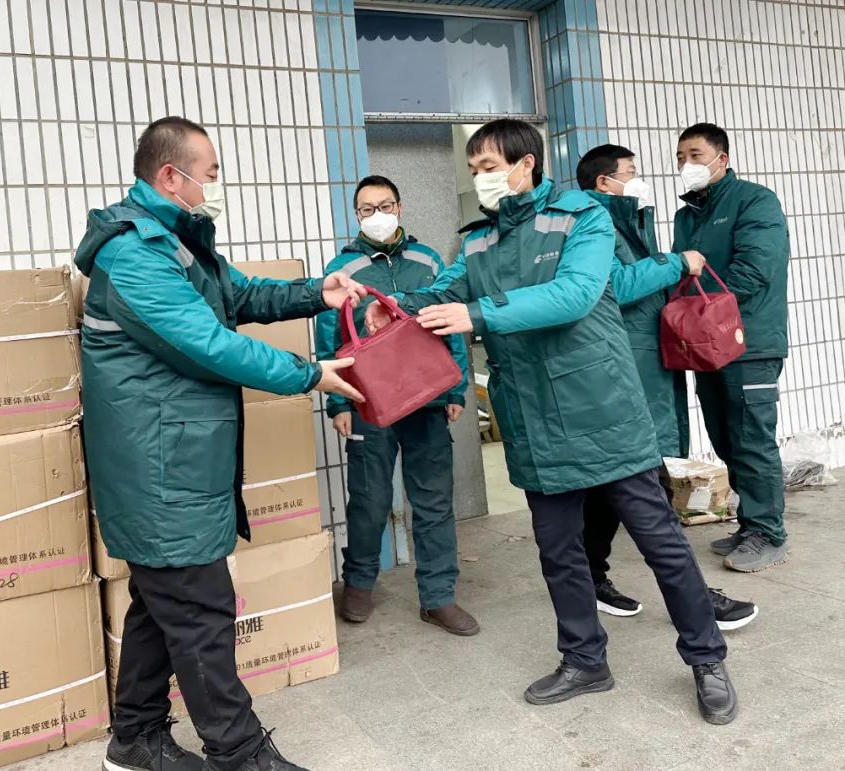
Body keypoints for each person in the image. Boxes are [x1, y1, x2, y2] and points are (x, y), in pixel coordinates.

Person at [365, 119, 737, 725]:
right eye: (474, 169)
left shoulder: (581, 217)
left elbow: (577, 294)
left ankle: (706, 657)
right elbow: (444, 289)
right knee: (560, 553)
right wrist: (396, 308)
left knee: (661, 544)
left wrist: (478, 313)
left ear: (526, 163)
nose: (481, 179)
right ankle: (585, 660)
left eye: (490, 167)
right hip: (533, 418)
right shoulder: (479, 240)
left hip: (601, 409)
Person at [75, 116, 367, 771]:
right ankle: (239, 753)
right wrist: (308, 374)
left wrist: (316, 294)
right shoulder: (134, 254)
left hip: (176, 459)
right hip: (159, 468)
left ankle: (135, 740)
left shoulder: (175, 241)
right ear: (170, 175)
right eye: (208, 174)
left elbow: (241, 294)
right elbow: (209, 344)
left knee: (161, 602)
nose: (214, 185)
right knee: (200, 610)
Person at [575, 144, 759, 631]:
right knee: (649, 494)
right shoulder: (594, 223)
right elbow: (611, 286)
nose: (639, 179)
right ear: (604, 182)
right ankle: (697, 602)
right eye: (631, 172)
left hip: (641, 369)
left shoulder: (625, 220)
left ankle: (589, 578)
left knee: (610, 491)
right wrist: (675, 264)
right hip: (624, 374)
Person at [314, 175, 478, 636]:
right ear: (356, 215)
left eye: (385, 205)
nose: (378, 215)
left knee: (433, 498)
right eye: (367, 209)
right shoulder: (342, 267)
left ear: (400, 207)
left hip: (426, 395)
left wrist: (455, 389)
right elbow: (329, 336)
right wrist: (338, 403)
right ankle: (359, 583)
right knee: (369, 498)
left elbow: (448, 322)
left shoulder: (428, 260)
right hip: (368, 401)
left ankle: (439, 596)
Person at [673, 123, 790, 573]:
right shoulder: (687, 216)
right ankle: (751, 524)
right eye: (681, 157)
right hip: (706, 347)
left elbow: (755, 268)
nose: (687, 164)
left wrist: (696, 310)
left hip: (749, 344)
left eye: (696, 155)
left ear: (722, 158)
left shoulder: (754, 201)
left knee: (751, 439)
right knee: (725, 437)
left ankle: (769, 533)